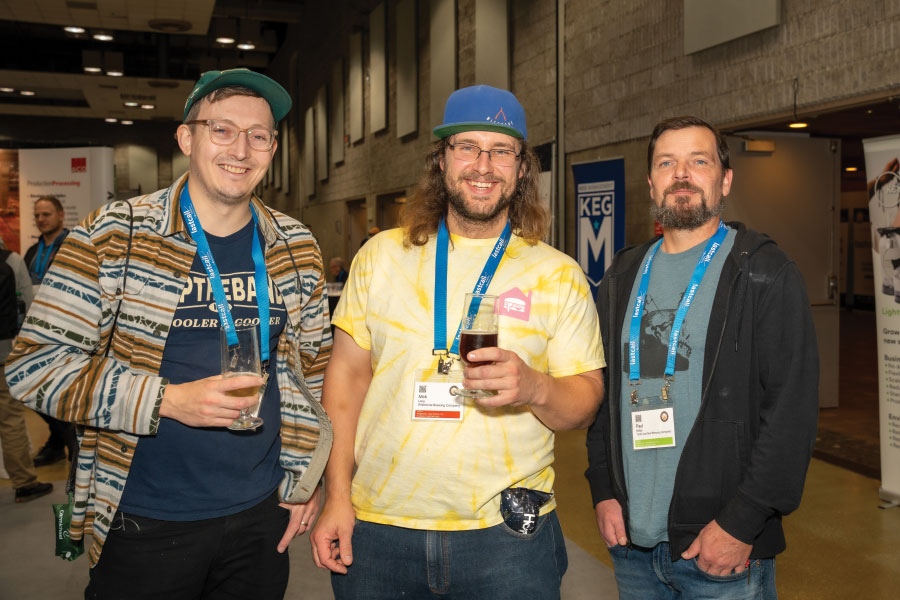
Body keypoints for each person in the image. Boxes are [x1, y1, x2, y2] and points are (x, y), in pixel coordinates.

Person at [6, 68, 333, 599]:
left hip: (260, 517)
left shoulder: (294, 245)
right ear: (187, 138)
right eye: (222, 130)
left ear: (273, 148)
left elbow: (313, 374)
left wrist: (306, 479)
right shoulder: (115, 235)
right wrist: (167, 400)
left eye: (259, 136)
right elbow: (34, 366)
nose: (242, 149)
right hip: (143, 517)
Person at [311, 84, 605, 599]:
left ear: (521, 168)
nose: (483, 165)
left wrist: (535, 387)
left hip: (508, 535)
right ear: (441, 159)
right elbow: (345, 380)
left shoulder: (558, 275)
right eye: (467, 147)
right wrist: (336, 494)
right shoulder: (380, 257)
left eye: (501, 151)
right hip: (379, 528)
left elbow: (584, 403)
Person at [585, 116, 819, 599]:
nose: (682, 174)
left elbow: (791, 414)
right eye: (667, 163)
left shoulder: (762, 273)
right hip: (632, 545)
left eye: (699, 161)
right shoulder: (622, 275)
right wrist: (604, 489)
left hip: (721, 550)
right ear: (651, 183)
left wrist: (741, 524)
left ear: (725, 179)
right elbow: (602, 394)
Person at [22, 195, 77, 467]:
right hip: (37, 330)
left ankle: (70, 447)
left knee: (62, 391)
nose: (41, 219)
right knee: (34, 392)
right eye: (38, 215)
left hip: (68, 332)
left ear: (60, 215)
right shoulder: (32, 252)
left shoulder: (74, 245)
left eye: (46, 214)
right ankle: (59, 441)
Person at [0, 238, 53, 502]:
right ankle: (24, 482)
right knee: (10, 421)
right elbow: (28, 306)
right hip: (3, 349)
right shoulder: (10, 260)